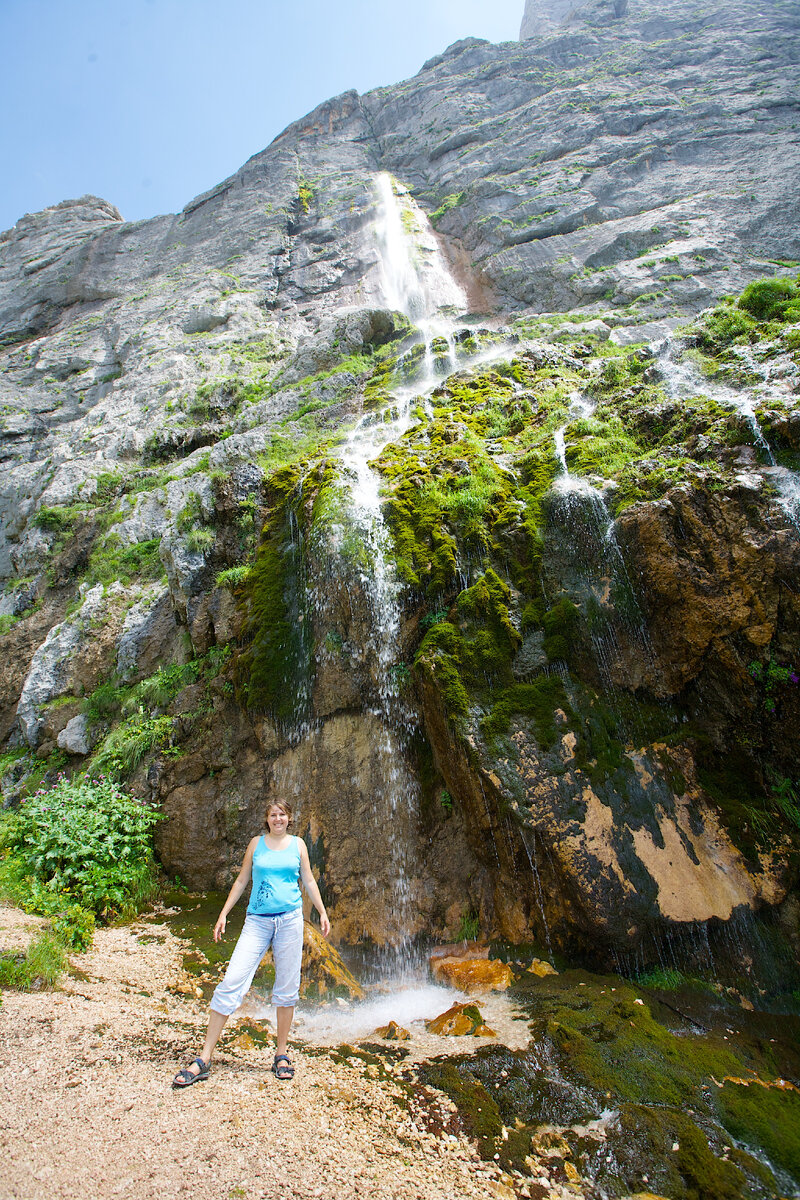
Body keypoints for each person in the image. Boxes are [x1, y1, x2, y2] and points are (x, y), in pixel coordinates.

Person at [172, 798, 330, 1086]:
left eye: (282, 814)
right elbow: (242, 880)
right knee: (231, 980)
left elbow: (308, 880)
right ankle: (204, 1058)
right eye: (273, 814)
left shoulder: (299, 845)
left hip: (290, 921)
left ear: (289, 818)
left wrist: (321, 911)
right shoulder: (256, 844)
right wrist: (223, 914)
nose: (278, 819)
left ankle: (281, 1054)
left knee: (287, 987)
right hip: (257, 921)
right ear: (267, 819)